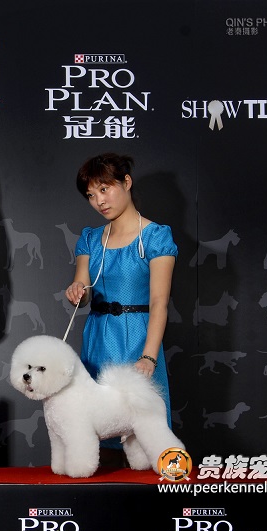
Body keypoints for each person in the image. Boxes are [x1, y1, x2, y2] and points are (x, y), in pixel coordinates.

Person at [64, 152, 177, 467]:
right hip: (98, 339)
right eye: (91, 195)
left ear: (126, 182)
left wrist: (149, 356)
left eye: (104, 189)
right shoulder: (90, 239)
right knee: (96, 431)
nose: (99, 201)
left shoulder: (155, 236)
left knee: (145, 430)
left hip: (139, 338)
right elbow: (83, 289)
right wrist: (77, 292)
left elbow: (159, 302)